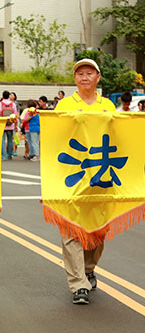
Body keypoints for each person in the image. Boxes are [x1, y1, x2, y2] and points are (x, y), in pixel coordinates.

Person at [55, 58, 116, 305]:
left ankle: (88, 268)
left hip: (101, 176)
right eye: (80, 73)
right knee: (71, 229)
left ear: (98, 78)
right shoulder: (64, 105)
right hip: (72, 176)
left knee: (97, 232)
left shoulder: (108, 106)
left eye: (89, 73)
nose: (84, 77)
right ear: (74, 79)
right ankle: (78, 284)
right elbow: (54, 139)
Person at [0, 91, 18, 160]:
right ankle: (9, 155)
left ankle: (3, 155)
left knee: (2, 140)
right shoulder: (12, 104)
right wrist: (15, 125)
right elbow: (15, 114)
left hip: (2, 124)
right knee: (10, 140)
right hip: (11, 124)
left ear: (3, 96)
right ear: (9, 96)